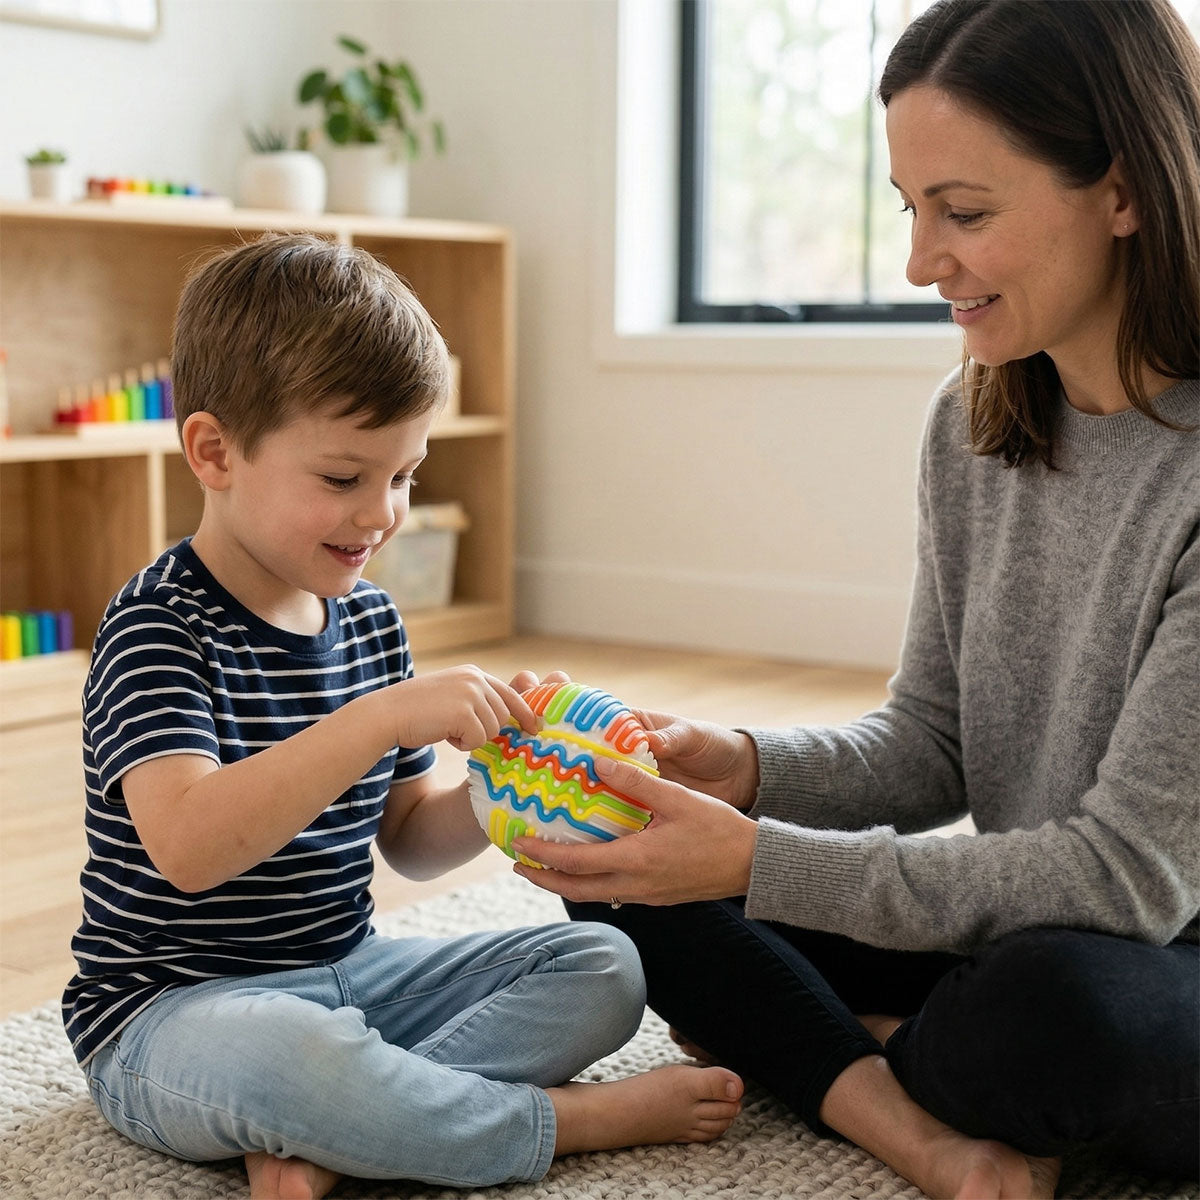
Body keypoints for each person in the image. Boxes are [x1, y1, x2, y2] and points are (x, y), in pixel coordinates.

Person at [508, 2, 1200, 1198]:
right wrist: (735, 770)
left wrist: (759, 866)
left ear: (1126, 191)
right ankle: (907, 1097)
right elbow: (931, 740)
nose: (925, 261)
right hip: (1033, 923)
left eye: (965, 212)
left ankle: (839, 1050)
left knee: (1056, 1013)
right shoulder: (976, 422)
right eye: (911, 208)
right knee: (630, 877)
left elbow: (1129, 879)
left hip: (1149, 962)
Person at [61, 233, 743, 1200]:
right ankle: (548, 1124)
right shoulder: (158, 625)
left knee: (602, 965)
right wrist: (380, 720)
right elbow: (188, 846)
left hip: (351, 978)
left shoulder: (372, 620)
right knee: (289, 1057)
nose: (383, 514)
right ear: (215, 451)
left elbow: (414, 845)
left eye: (406, 474)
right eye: (344, 478)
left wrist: (508, 776)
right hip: (171, 1017)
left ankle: (350, 1128)